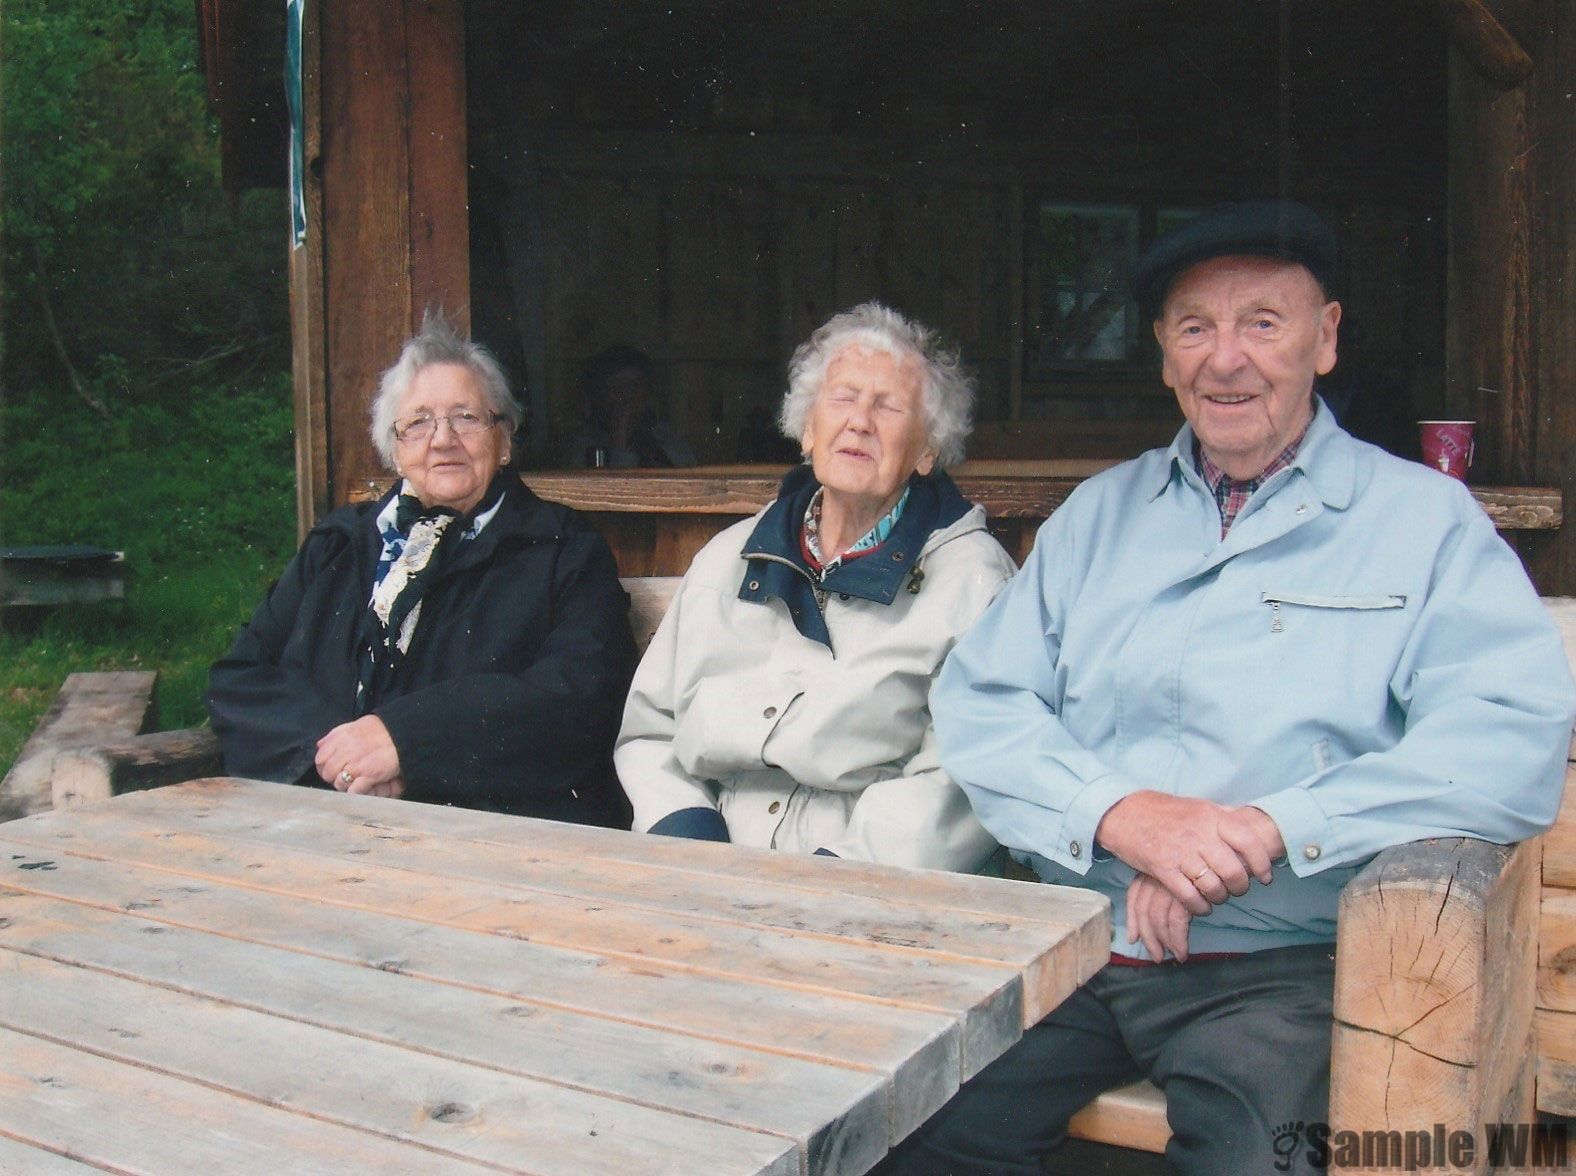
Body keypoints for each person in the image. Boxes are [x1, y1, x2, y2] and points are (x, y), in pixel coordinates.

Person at [884, 202, 1576, 1174]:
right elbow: (980, 702)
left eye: (1262, 322)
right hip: (1081, 946)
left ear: (1324, 338)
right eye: (1194, 327)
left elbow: (1506, 743)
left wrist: (1268, 828)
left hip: (1283, 969)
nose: (1226, 359)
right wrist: (1123, 816)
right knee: (898, 1130)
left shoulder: (1424, 523)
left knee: (1262, 1161)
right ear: (1164, 354)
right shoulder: (1098, 517)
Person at [616, 302, 1015, 868]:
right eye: (843, 398)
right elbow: (652, 733)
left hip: (868, 882)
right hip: (705, 861)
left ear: (928, 451)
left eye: (889, 406)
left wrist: (832, 878)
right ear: (807, 427)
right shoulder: (731, 557)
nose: (860, 422)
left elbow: (958, 780)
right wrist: (691, 847)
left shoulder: (973, 581)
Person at [207, 312, 635, 827]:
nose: (442, 439)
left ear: (505, 441)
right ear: (394, 448)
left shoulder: (563, 549)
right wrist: (346, 756)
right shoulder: (339, 545)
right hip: (320, 820)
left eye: (466, 418)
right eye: (418, 423)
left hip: (488, 841)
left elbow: (581, 698)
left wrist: (406, 742)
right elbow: (239, 679)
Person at [567, 346, 696, 469]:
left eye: (635, 386)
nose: (627, 395)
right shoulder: (585, 444)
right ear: (603, 393)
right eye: (617, 387)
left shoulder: (669, 439)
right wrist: (620, 444)